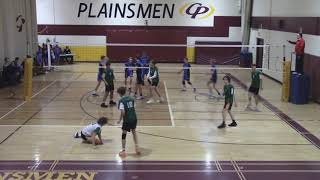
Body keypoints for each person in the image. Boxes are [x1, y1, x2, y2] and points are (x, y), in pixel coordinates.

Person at [117, 87, 141, 157]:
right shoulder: (131, 98)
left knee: (124, 134)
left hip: (127, 120)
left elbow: (123, 112)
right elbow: (133, 107)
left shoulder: (121, 101)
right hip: (134, 118)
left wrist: (119, 119)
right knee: (134, 132)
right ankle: (137, 148)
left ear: (119, 93)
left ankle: (123, 150)